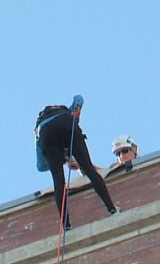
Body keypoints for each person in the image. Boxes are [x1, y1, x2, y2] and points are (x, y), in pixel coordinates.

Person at [35, 95, 118, 229]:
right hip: (66, 123)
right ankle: (112, 208)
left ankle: (66, 225)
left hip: (46, 134)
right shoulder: (67, 112)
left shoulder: (39, 129)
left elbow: (41, 166)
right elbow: (78, 98)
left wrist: (59, 159)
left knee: (59, 182)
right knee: (89, 169)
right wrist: (77, 108)